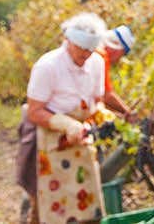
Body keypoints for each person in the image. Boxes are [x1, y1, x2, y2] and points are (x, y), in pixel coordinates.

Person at [17, 12, 111, 224]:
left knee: (87, 206)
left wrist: (99, 116)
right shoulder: (48, 66)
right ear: (68, 41)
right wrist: (66, 124)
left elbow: (97, 100)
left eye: (90, 49)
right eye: (81, 48)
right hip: (50, 143)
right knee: (51, 209)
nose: (86, 54)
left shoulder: (96, 63)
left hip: (82, 142)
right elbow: (34, 111)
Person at [96, 25, 136, 121]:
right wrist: (128, 113)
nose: (118, 60)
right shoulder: (100, 55)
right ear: (115, 44)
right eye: (121, 54)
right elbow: (105, 95)